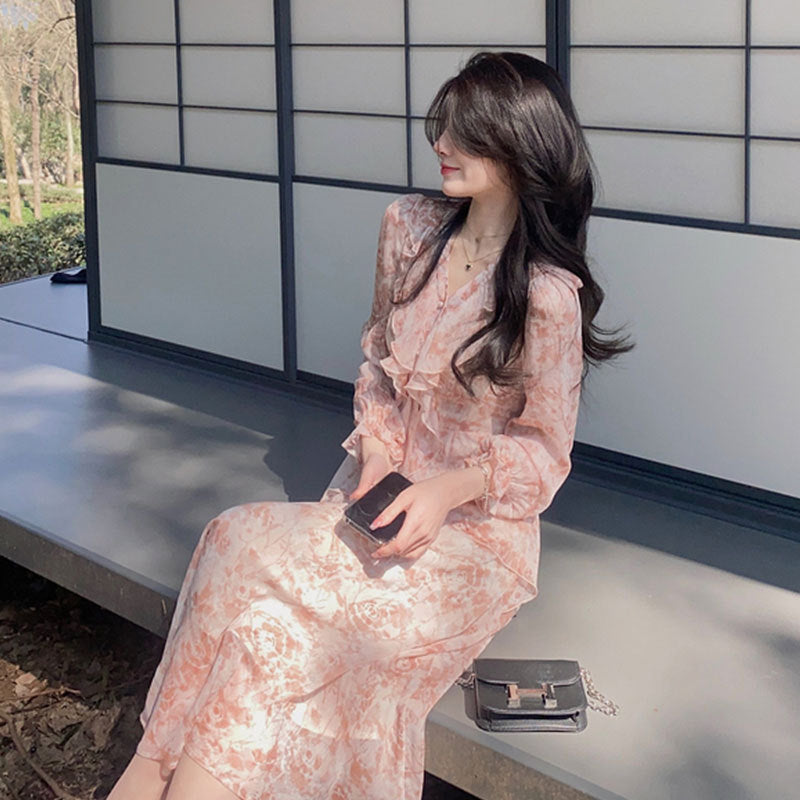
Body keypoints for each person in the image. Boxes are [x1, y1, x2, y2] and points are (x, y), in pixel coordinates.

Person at [106, 51, 633, 800]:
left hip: (475, 538)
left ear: (520, 146)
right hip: (375, 494)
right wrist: (380, 452)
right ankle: (151, 765)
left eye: (466, 132)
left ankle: (157, 776)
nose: (441, 143)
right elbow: (378, 362)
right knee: (232, 543)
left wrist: (446, 490)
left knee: (271, 638)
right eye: (443, 125)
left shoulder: (546, 296)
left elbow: (545, 454)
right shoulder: (409, 228)